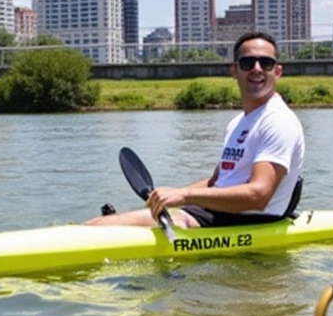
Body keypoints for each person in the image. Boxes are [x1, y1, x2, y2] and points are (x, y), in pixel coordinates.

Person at [85, 31, 304, 228]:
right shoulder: (238, 122)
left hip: (248, 220)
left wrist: (185, 196)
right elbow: (216, 181)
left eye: (265, 63)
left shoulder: (278, 121)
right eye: (247, 63)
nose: (256, 69)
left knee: (98, 227)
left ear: (277, 72)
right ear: (234, 71)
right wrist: (172, 194)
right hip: (218, 214)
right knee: (105, 222)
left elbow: (258, 195)